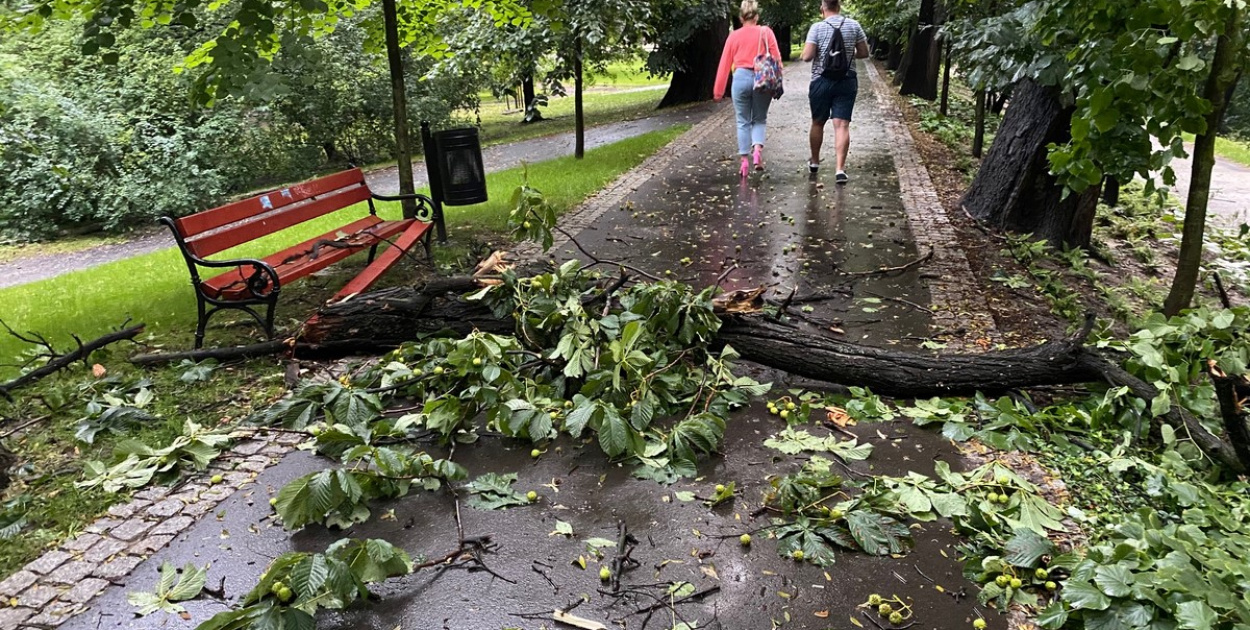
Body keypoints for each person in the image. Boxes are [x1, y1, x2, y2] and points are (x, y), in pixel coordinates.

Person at [801, 0, 869, 183]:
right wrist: (848, 54)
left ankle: (815, 162)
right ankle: (840, 169)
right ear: (839, 6)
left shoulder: (817, 28)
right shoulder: (853, 25)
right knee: (842, 125)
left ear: (822, 8)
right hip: (846, 80)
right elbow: (864, 53)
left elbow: (807, 56)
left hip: (821, 81)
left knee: (818, 122)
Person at [713, 0, 783, 177]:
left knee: (742, 121)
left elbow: (724, 64)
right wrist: (778, 83)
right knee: (759, 119)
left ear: (741, 18)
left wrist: (718, 91)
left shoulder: (733, 36)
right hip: (762, 79)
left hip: (741, 78)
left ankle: (744, 162)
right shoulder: (766, 32)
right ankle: (757, 151)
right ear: (756, 16)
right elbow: (777, 59)